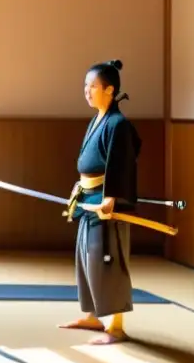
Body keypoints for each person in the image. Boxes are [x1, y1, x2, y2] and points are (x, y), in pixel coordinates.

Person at [60, 59, 141, 345]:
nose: (87, 91)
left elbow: (121, 164)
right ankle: (93, 315)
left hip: (106, 202)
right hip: (88, 197)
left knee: (107, 259)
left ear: (109, 89)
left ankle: (116, 327)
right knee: (87, 259)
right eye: (85, 86)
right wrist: (81, 187)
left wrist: (111, 197)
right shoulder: (98, 118)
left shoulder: (118, 124)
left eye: (92, 86)